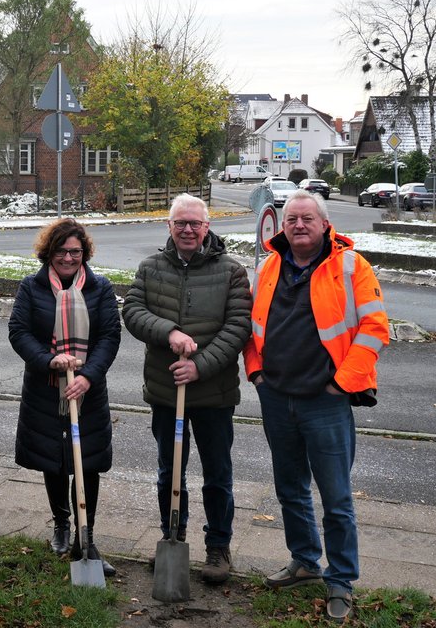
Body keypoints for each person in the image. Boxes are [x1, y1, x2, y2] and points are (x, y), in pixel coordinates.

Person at [244, 190, 388, 623]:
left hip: (326, 401)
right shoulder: (268, 267)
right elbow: (252, 326)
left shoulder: (351, 266)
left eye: (307, 218)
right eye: (291, 219)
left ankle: (341, 580)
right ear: (282, 225)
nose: (299, 225)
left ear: (325, 224)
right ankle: (305, 560)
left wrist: (341, 384)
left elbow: (375, 328)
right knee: (290, 488)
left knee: (336, 497)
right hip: (276, 396)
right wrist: (256, 373)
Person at [122, 193, 252, 584]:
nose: (188, 229)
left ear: (207, 227)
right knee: (170, 471)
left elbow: (238, 327)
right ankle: (172, 535)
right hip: (166, 391)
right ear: (169, 226)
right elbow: (133, 311)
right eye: (180, 223)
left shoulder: (232, 271)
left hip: (214, 393)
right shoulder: (151, 267)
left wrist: (199, 367)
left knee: (217, 473)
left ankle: (218, 546)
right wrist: (169, 332)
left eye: (195, 223)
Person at [8, 218, 121, 576]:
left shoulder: (100, 288)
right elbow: (19, 331)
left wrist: (88, 377)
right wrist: (48, 360)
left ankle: (87, 537)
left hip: (87, 391)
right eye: (61, 251)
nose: (68, 258)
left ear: (84, 253)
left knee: (87, 461)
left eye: (75, 251)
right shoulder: (32, 287)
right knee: (53, 459)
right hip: (46, 389)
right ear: (49, 252)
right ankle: (61, 524)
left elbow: (110, 336)